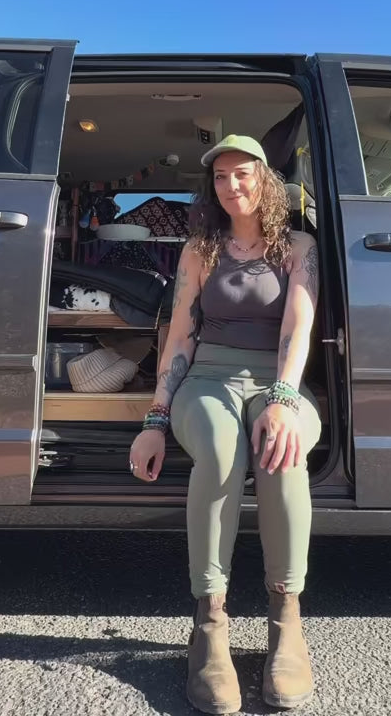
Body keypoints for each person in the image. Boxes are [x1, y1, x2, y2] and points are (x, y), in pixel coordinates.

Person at [129, 134, 322, 713]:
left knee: (282, 451)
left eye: (243, 173)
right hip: (207, 377)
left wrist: (283, 398)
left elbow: (298, 326)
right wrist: (155, 418)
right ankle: (210, 623)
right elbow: (180, 336)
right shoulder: (200, 249)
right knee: (219, 448)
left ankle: (286, 622)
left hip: (278, 379)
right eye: (220, 176)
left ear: (265, 180)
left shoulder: (298, 246)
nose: (231, 185)